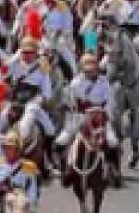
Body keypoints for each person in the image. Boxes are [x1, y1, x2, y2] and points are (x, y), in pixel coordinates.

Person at [52, 53, 122, 188]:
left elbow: (110, 101)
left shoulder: (104, 82)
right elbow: (70, 101)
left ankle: (115, 171)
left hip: (99, 117)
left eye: (92, 69)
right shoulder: (75, 82)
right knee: (60, 141)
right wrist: (71, 106)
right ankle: (64, 171)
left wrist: (104, 114)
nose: (89, 72)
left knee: (113, 141)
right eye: (86, 70)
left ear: (97, 68)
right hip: (80, 117)